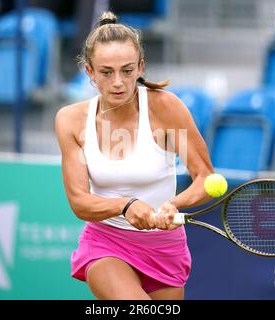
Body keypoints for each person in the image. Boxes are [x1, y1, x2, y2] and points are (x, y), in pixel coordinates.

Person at [55, 11, 214, 300]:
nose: (118, 82)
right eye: (106, 72)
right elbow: (80, 202)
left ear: (140, 67)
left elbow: (205, 178)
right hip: (107, 243)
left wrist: (172, 204)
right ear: (90, 72)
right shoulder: (71, 121)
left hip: (165, 248)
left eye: (127, 71)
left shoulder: (166, 109)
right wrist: (125, 206)